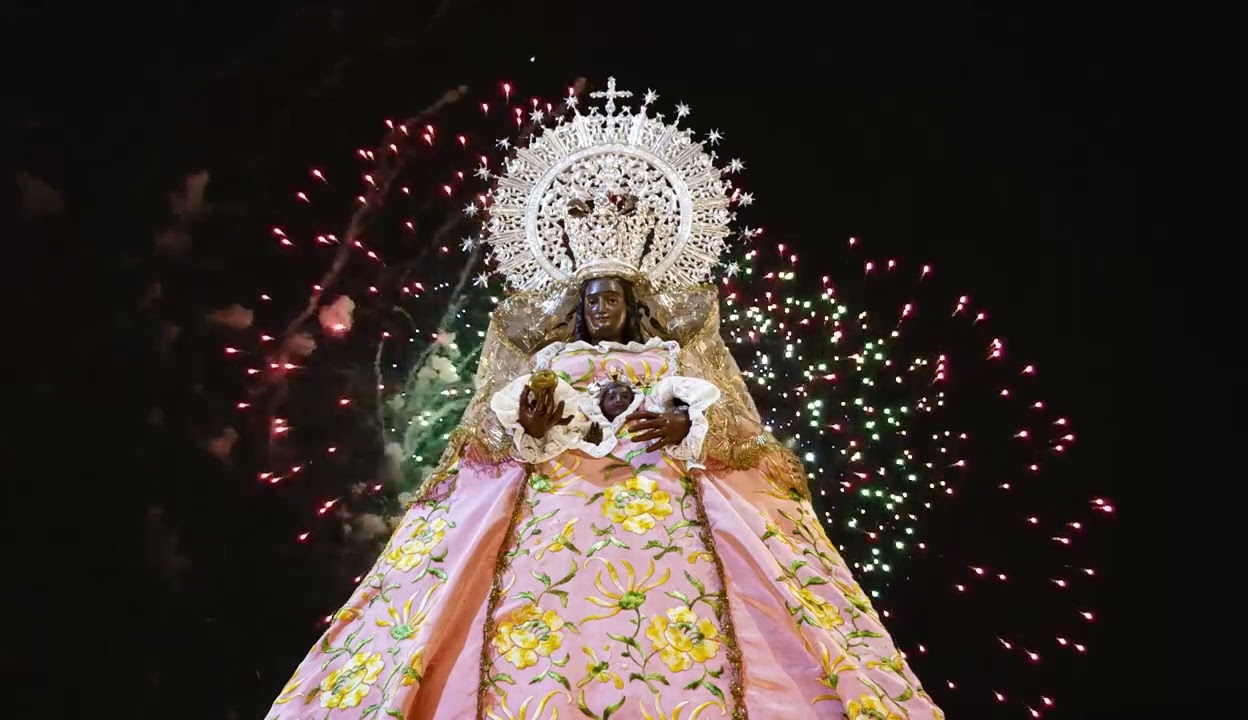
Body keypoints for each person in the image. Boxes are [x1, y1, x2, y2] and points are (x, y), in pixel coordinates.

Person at [265, 79, 943, 720]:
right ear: (577, 308)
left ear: (634, 304)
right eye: (591, 299)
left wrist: (682, 423)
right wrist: (532, 426)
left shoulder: (669, 359)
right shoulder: (553, 359)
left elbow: (712, 415)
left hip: (666, 500)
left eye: (615, 296)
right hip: (556, 503)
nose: (603, 306)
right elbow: (517, 425)